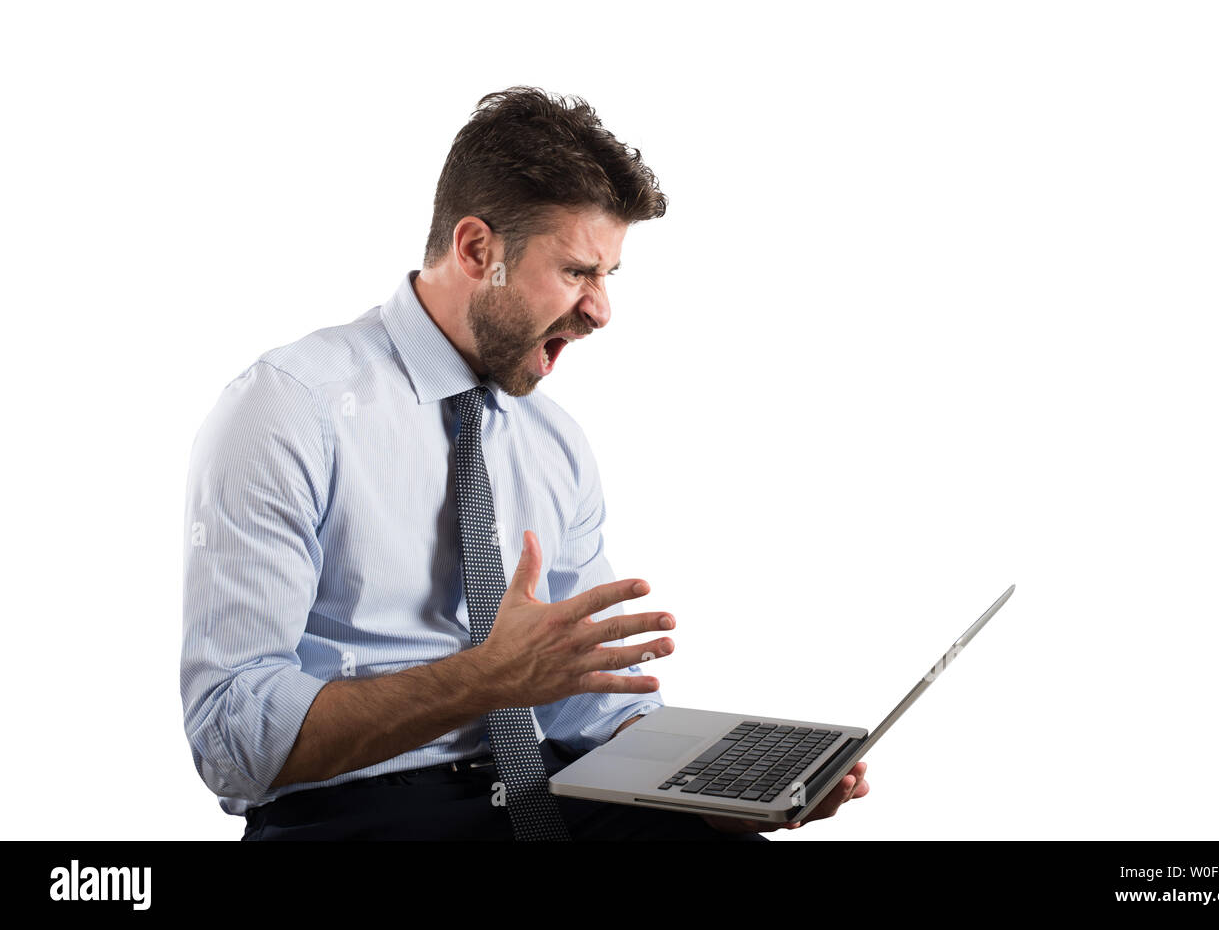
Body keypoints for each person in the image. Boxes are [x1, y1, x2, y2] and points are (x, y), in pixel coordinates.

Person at [181, 87, 868, 840]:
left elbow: (593, 713)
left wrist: (737, 796)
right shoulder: (289, 409)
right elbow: (229, 740)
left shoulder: (554, 442)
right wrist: (484, 680)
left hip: (548, 798)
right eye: (578, 271)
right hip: (359, 814)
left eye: (608, 275)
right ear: (479, 251)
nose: (601, 309)